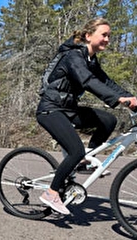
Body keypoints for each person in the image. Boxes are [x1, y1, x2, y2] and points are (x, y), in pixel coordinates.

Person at [36, 18, 137, 215]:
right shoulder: (74, 57)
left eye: (109, 36)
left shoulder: (91, 60)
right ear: (89, 36)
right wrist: (119, 100)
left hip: (68, 109)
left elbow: (107, 82)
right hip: (50, 110)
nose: (107, 39)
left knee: (109, 120)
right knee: (75, 150)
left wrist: (132, 99)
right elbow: (88, 81)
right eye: (104, 35)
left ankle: (86, 159)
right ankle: (51, 193)